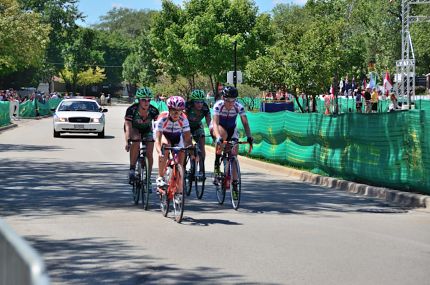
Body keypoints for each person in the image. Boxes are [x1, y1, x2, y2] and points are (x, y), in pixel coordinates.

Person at [211, 86, 253, 199]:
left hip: (232, 129)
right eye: (228, 100)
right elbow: (215, 123)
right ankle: (216, 161)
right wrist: (218, 137)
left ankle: (234, 185)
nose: (230, 103)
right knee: (222, 134)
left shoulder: (238, 106)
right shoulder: (218, 105)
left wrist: (249, 137)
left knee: (234, 154)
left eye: (233, 100)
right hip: (218, 127)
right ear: (223, 98)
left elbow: (245, 123)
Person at [154, 96, 194, 188]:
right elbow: (158, 139)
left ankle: (179, 191)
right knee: (166, 146)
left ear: (182, 111)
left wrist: (192, 153)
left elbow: (187, 139)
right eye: (173, 110)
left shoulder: (184, 119)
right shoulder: (162, 118)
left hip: (176, 136)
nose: (176, 113)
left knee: (182, 152)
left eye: (179, 110)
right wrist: (160, 152)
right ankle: (160, 177)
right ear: (169, 109)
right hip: (164, 135)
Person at [124, 87, 159, 185]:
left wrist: (158, 139)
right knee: (136, 138)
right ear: (139, 100)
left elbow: (158, 127)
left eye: (148, 100)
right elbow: (127, 126)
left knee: (149, 153)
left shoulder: (153, 110)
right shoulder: (132, 110)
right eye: (143, 99)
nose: (146, 102)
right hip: (134, 128)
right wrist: (127, 141)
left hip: (147, 129)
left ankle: (148, 178)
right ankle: (132, 169)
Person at [184, 89, 211, 173]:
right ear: (192, 101)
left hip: (197, 126)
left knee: (202, 143)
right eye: (197, 102)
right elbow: (183, 120)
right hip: (186, 126)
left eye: (201, 102)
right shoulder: (188, 106)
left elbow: (209, 121)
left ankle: (201, 169)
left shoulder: (205, 107)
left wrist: (212, 131)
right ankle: (183, 166)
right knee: (186, 145)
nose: (200, 104)